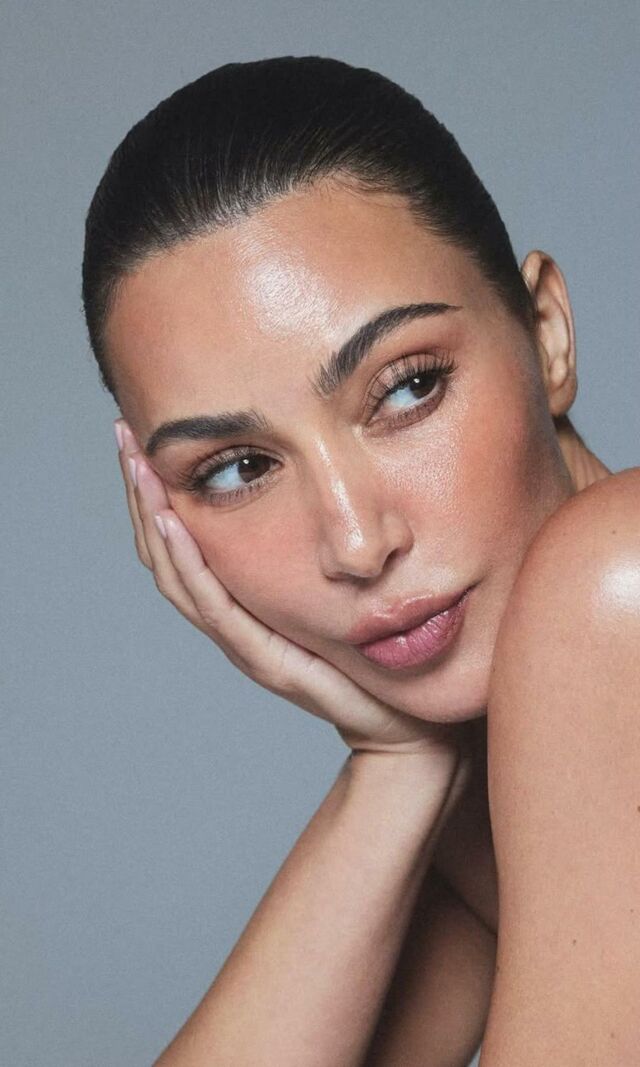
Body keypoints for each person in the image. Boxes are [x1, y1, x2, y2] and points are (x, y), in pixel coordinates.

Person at [81, 55, 640, 1065]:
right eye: (238, 467)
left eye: (406, 387)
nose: (355, 540)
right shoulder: (492, 793)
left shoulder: (617, 582)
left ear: (546, 334)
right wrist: (395, 768)